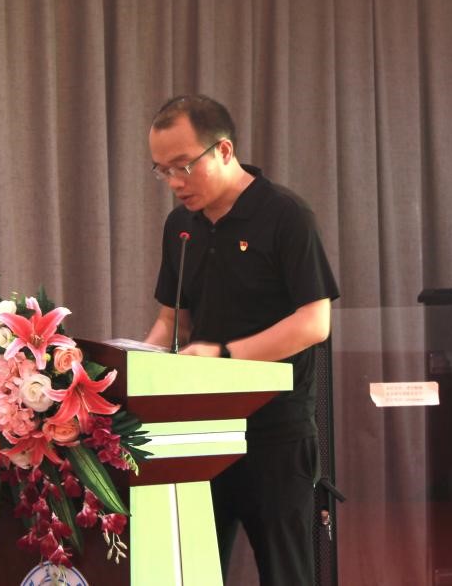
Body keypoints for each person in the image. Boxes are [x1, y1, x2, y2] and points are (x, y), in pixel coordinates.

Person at [143, 94, 339, 586]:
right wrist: (137, 368)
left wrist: (226, 356)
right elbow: (172, 322)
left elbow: (315, 322)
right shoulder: (180, 226)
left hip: (276, 432)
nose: (175, 183)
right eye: (162, 170)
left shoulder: (285, 215)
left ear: (224, 150)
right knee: (191, 573)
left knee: (287, 573)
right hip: (199, 429)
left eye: (183, 166)